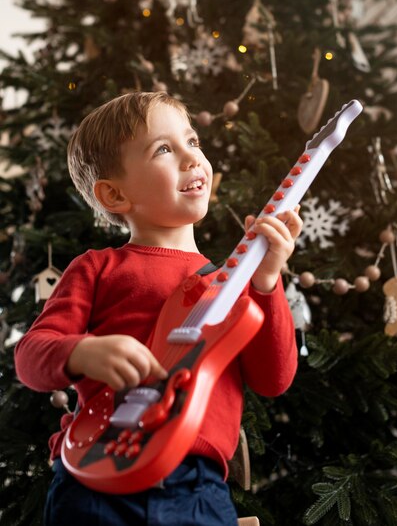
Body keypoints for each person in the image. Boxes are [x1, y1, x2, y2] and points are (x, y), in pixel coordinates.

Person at [14, 91, 303, 526]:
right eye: (165, 149)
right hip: (97, 475)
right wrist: (80, 352)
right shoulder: (97, 267)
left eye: (194, 142)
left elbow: (274, 379)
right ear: (114, 194)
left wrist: (265, 282)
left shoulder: (230, 287)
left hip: (199, 486)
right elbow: (30, 356)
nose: (192, 158)